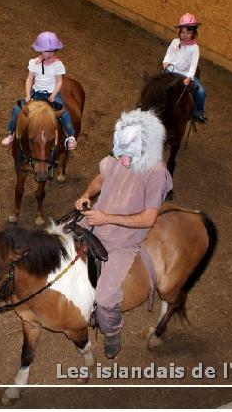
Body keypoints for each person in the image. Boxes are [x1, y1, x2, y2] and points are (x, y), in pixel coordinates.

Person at [74, 109, 172, 359]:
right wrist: (87, 195)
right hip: (93, 224)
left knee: (106, 297)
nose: (121, 158)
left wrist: (106, 217)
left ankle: (113, 331)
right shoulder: (122, 153)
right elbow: (101, 177)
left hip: (123, 242)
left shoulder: (156, 173)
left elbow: (149, 218)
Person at [1, 31, 77, 150]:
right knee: (16, 110)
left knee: (63, 112)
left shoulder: (58, 64)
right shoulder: (33, 63)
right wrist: (27, 95)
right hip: (36, 93)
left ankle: (71, 136)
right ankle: (11, 134)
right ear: (40, 50)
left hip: (52, 94)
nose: (50, 53)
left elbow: (59, 82)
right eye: (47, 51)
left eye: (52, 50)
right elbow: (29, 79)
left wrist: (54, 95)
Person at [162, 13, 207, 123]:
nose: (185, 35)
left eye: (188, 32)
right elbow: (169, 53)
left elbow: (193, 64)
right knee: (157, 84)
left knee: (201, 92)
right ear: (180, 32)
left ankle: (198, 112)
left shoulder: (195, 48)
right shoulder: (175, 42)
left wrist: (189, 77)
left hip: (185, 75)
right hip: (171, 70)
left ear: (194, 33)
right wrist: (165, 62)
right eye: (183, 32)